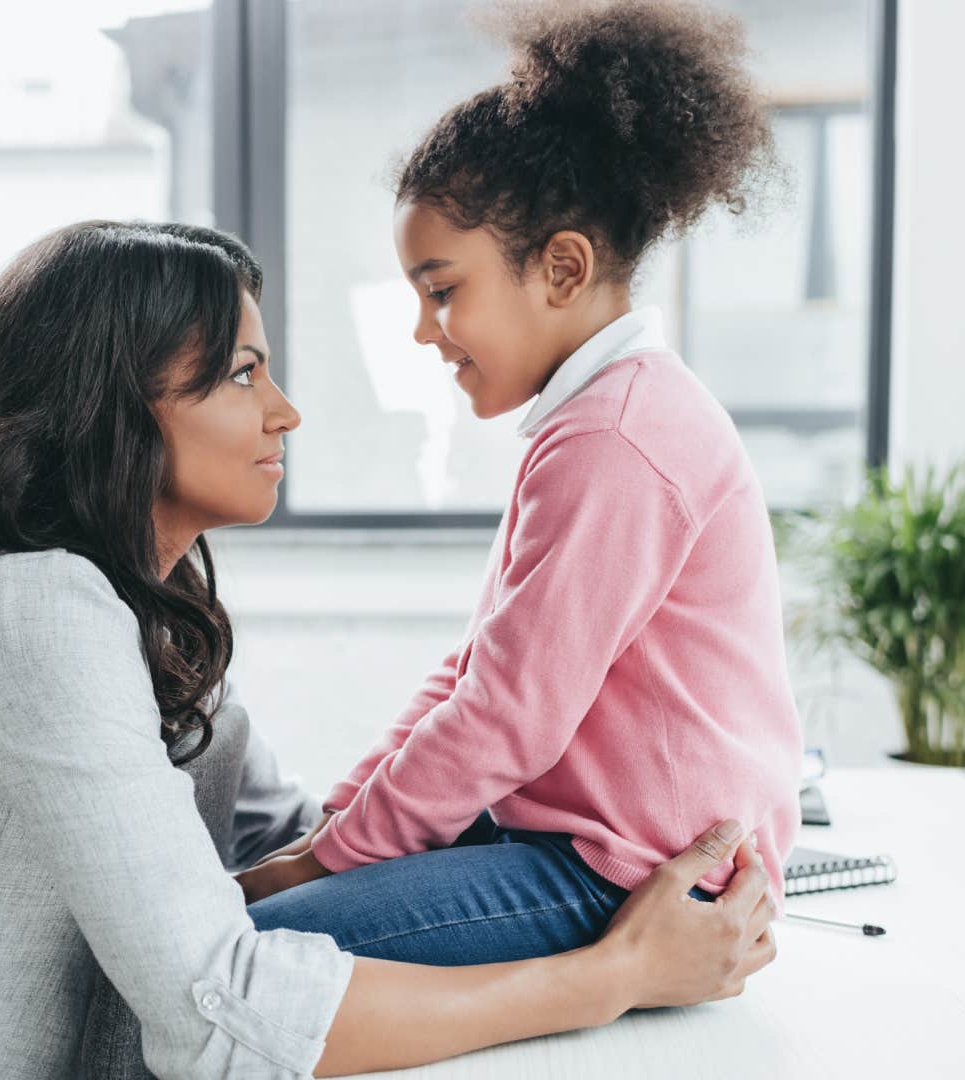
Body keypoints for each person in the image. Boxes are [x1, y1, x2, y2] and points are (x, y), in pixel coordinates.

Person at [0, 220, 776, 1080]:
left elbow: (292, 839)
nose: (285, 411)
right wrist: (611, 975)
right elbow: (219, 1011)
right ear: (114, 408)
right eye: (244, 374)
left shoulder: (138, 612)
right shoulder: (28, 613)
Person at [235, 0, 804, 968]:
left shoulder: (618, 440)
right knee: (269, 895)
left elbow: (506, 717)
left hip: (624, 875)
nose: (424, 331)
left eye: (443, 289)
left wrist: (318, 864)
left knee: (247, 951)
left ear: (563, 268)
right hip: (576, 843)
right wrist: (338, 822)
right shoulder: (598, 416)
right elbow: (478, 673)